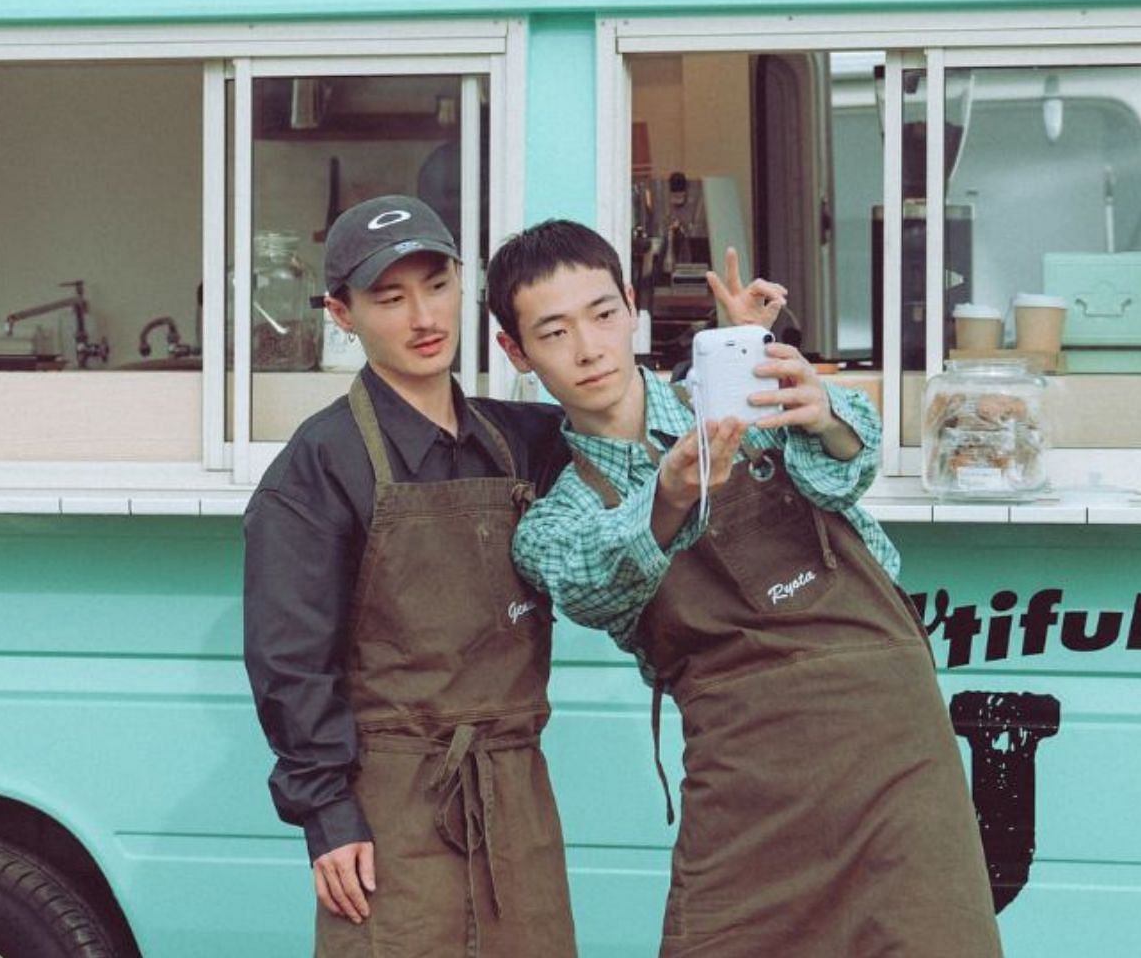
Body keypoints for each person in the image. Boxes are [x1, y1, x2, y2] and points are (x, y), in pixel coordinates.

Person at [489, 219, 1002, 957]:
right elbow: (593, 584)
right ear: (516, 350)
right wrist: (666, 499)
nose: (589, 347)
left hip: (887, 733)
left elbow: (848, 469)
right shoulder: (559, 514)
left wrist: (823, 412)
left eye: (603, 315)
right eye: (554, 331)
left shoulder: (739, 402)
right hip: (746, 772)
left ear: (632, 306)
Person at [242, 196, 578, 957]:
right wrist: (327, 818)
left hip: (516, 794)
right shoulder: (320, 464)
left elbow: (628, 443)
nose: (422, 316)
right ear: (342, 313)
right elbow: (290, 660)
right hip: (390, 807)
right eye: (390, 298)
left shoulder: (526, 442)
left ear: (463, 282)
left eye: (436, 285)